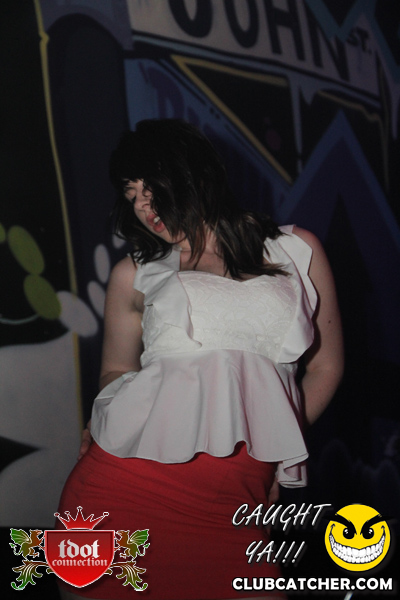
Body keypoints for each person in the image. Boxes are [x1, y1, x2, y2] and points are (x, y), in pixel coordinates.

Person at [57, 119, 343, 600]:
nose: (142, 206)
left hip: (236, 506)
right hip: (121, 495)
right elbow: (116, 370)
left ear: (194, 173)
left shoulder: (297, 251)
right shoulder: (134, 272)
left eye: (150, 187)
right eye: (131, 195)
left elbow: (326, 367)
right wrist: (104, 414)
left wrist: (275, 443)